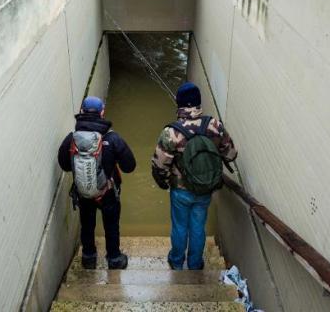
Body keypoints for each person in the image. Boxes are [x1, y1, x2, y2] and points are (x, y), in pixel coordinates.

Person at [151, 82, 237, 270]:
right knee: (198, 226)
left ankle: (176, 262)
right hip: (205, 188)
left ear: (179, 104)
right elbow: (231, 154)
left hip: (181, 190)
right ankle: (195, 263)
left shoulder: (172, 132)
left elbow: (159, 166)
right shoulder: (214, 125)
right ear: (199, 102)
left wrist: (165, 183)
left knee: (180, 226)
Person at [58, 96, 136, 269]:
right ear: (102, 112)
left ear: (81, 112)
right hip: (107, 192)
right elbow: (130, 166)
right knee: (111, 224)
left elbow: (64, 165)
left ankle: (89, 257)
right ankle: (114, 259)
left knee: (87, 223)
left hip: (84, 192)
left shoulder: (72, 139)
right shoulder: (112, 138)